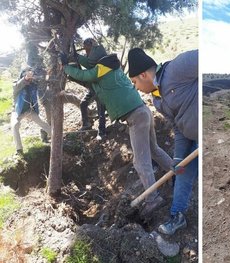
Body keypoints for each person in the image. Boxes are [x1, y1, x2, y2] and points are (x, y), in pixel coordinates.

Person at [59, 51, 173, 217]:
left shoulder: (101, 69)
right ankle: (176, 173)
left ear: (98, 61)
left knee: (141, 162)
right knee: (154, 150)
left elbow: (84, 74)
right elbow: (88, 65)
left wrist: (65, 67)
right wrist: (75, 57)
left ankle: (152, 199)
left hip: (136, 116)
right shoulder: (110, 68)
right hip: (143, 111)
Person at [127, 48, 198, 235]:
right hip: (191, 139)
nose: (136, 87)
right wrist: (177, 158)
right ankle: (178, 216)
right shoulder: (158, 100)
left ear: (143, 75)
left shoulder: (177, 68)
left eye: (134, 82)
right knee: (182, 174)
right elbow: (178, 128)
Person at [11, 66, 51, 155]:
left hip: (29, 110)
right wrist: (25, 78)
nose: (29, 76)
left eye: (30, 73)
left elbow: (42, 82)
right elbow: (18, 85)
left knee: (43, 123)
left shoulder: (33, 85)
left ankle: (57, 139)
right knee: (15, 126)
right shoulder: (16, 84)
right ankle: (19, 150)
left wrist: (46, 75)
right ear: (22, 75)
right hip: (17, 111)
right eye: (26, 73)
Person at [74, 38, 107, 139]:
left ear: (92, 45)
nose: (85, 50)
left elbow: (89, 65)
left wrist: (77, 57)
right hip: (93, 86)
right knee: (83, 103)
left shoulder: (98, 55)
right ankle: (86, 124)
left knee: (101, 108)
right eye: (84, 48)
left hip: (101, 87)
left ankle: (102, 132)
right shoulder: (88, 55)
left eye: (87, 47)